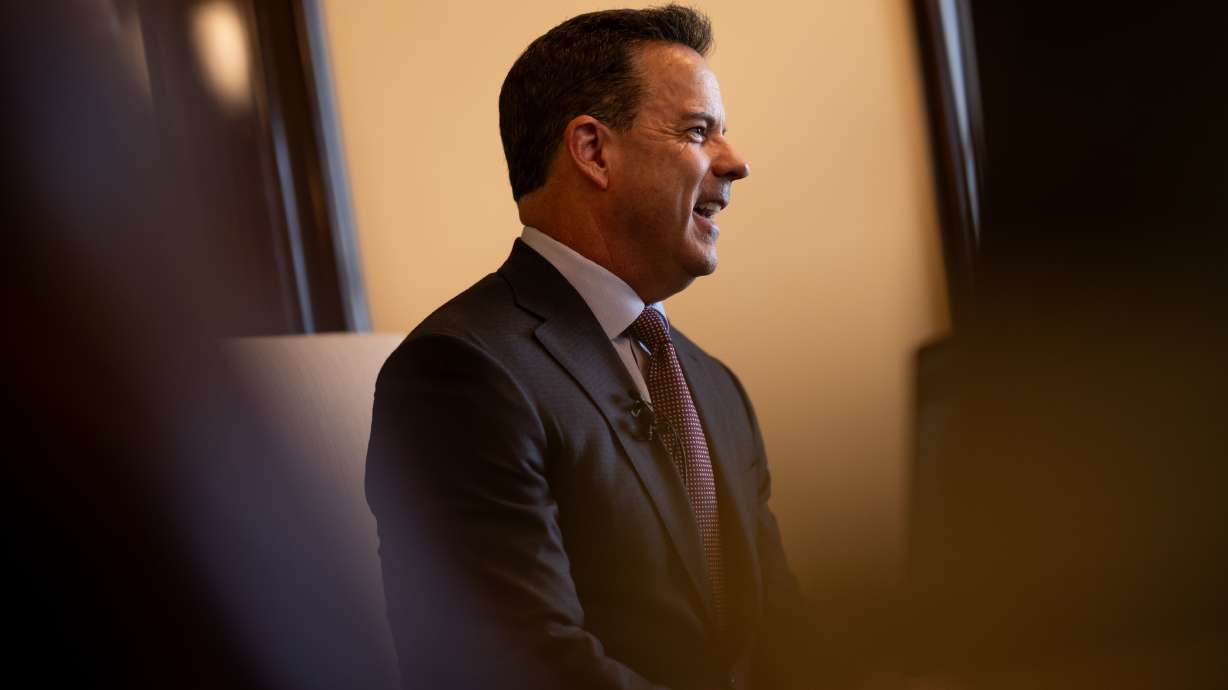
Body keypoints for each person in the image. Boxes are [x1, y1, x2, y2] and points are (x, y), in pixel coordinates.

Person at [366, 6, 815, 689]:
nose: (736, 162)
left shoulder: (717, 386)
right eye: (699, 132)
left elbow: (786, 640)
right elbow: (520, 663)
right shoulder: (460, 374)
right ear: (593, 150)